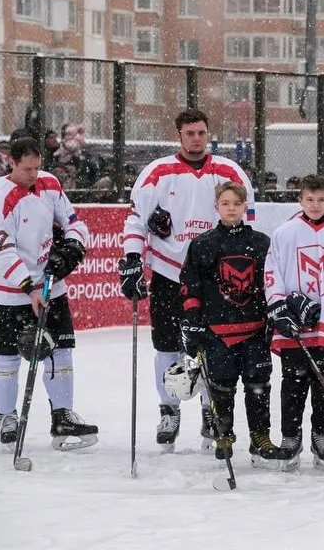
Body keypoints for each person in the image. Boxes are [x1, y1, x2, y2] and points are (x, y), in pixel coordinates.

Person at [119, 109, 256, 452]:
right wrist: (133, 259)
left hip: (214, 276)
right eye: (189, 133)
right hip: (168, 271)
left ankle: (211, 412)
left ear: (208, 133)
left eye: (201, 132)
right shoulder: (158, 172)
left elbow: (248, 216)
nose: (196, 138)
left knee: (212, 346)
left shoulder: (229, 171)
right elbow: (135, 219)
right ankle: (170, 410)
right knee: (167, 345)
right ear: (178, 135)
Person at [0, 138, 97, 449]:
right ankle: (7, 418)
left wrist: (72, 248)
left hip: (51, 285)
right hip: (10, 290)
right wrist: (29, 286)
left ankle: (62, 416)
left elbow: (74, 223)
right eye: (26, 169)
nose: (33, 174)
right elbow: (1, 250)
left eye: (37, 167)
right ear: (11, 162)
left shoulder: (49, 183)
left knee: (60, 351)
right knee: (6, 357)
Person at [179, 181, 283, 465]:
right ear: (216, 207)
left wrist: (273, 314)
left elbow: (272, 282)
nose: (231, 208)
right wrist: (193, 319)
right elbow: (190, 284)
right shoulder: (203, 244)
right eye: (225, 203)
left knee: (258, 386)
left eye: (237, 204)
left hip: (254, 330)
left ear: (245, 206)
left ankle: (260, 436)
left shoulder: (261, 243)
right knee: (221, 387)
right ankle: (223, 433)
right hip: (218, 332)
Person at [267, 175, 324, 471]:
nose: (315, 205)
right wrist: (279, 306)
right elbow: (272, 273)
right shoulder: (284, 233)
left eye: (321, 200)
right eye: (309, 199)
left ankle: (322, 436)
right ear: (299, 200)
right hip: (294, 326)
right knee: (291, 383)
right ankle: (290, 437)